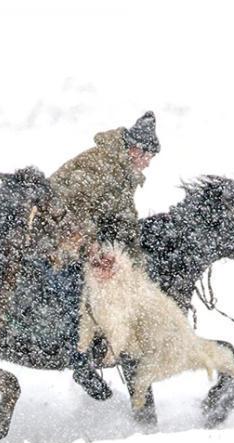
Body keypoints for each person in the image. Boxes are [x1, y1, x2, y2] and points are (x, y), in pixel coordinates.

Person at [44, 111, 161, 400]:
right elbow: (71, 208)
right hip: (52, 237)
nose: (147, 163)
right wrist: (91, 247)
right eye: (147, 157)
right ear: (134, 149)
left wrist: (137, 265)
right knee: (79, 291)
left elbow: (123, 222)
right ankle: (81, 361)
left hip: (79, 238)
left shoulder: (120, 172)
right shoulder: (101, 166)